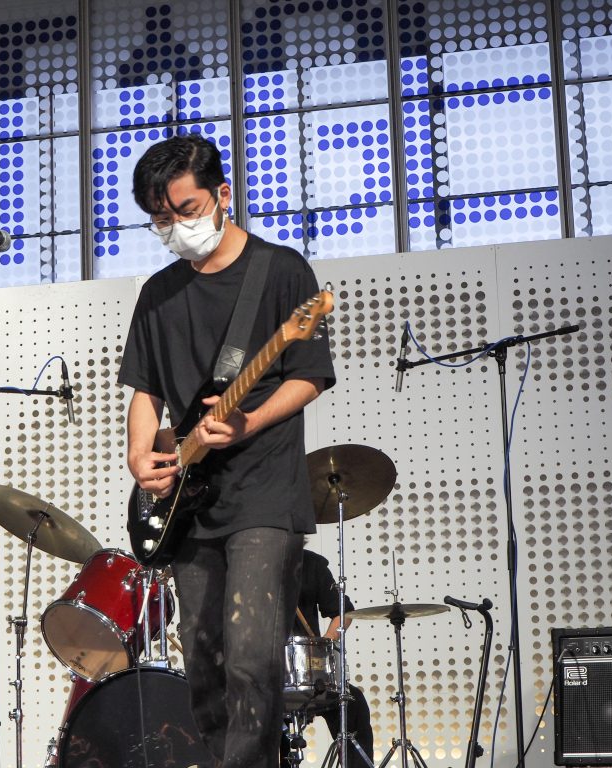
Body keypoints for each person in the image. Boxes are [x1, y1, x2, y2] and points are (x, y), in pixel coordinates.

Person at [117, 133, 337, 768]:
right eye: (161, 219)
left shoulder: (282, 271)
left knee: (251, 658)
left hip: (264, 493)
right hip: (189, 502)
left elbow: (308, 375)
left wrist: (248, 423)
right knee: (203, 658)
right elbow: (145, 391)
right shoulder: (158, 294)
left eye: (186, 211)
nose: (175, 228)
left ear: (223, 195)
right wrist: (140, 456)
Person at [296, 548, 375, 768]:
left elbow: (344, 612)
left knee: (353, 702)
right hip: (261, 673)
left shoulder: (311, 563)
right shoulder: (244, 564)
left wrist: (323, 646)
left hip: (306, 671)